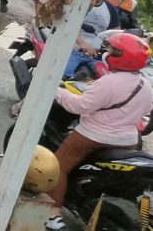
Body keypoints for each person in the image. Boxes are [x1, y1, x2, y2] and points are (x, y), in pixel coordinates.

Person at [46, 32, 153, 230]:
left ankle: (52, 215)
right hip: (127, 139)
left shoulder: (109, 82)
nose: (107, 52)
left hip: (95, 135)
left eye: (112, 50)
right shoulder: (145, 85)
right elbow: (145, 110)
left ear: (122, 56)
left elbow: (80, 107)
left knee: (57, 166)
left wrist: (57, 91)